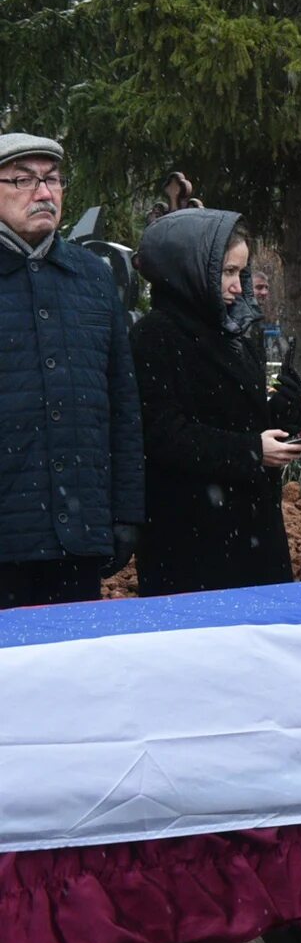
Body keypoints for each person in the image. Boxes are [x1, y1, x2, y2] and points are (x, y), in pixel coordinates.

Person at [131, 208, 301, 596]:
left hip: (251, 530)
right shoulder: (155, 336)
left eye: (240, 274)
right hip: (193, 538)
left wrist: (285, 410)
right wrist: (250, 451)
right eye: (228, 273)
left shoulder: (231, 333)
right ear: (191, 270)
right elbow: (163, 434)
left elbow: (240, 416)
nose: (239, 287)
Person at [0, 133, 140, 609]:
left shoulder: (92, 277)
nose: (44, 193)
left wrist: (125, 512)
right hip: (8, 540)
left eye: (52, 179)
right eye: (23, 180)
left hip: (76, 539)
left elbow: (121, 405)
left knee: (72, 677)